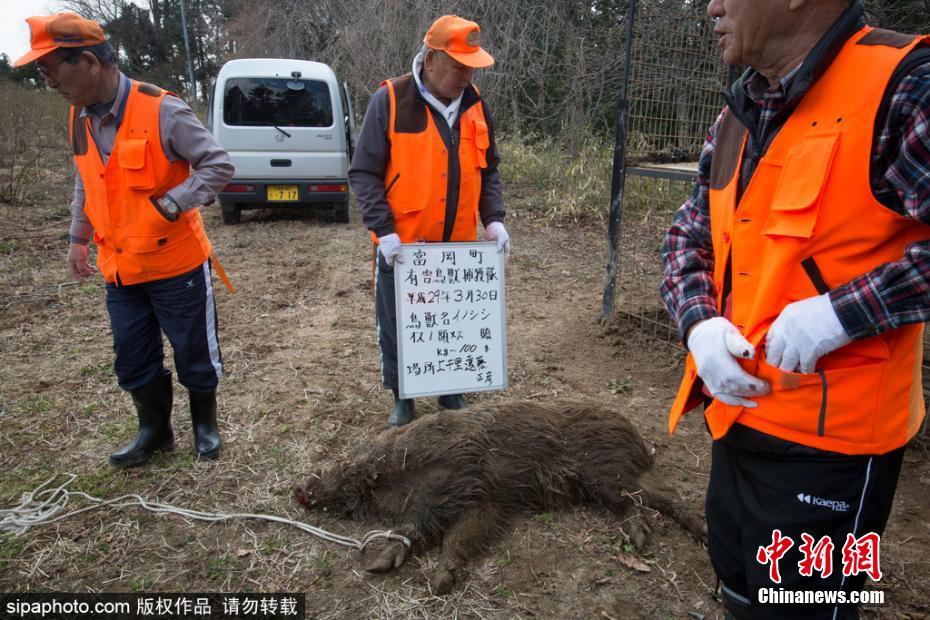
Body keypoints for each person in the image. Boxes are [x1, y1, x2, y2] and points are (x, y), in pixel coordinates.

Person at [661, 0, 930, 617]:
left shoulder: (905, 87)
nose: (712, 7)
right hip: (736, 421)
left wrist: (844, 314)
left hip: (836, 450)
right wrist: (699, 324)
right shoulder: (741, 110)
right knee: (742, 590)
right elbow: (687, 238)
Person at [14, 13, 235, 466]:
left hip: (176, 265)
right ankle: (154, 432)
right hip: (119, 268)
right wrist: (78, 237)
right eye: (42, 73)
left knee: (195, 352)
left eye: (52, 70)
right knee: (133, 359)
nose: (49, 82)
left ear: (90, 62)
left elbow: (217, 165)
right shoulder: (79, 117)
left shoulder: (162, 109)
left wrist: (173, 203)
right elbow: (86, 180)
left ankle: (205, 428)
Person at [349, 15, 509, 426]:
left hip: (456, 249)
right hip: (403, 248)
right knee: (398, 323)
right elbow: (364, 172)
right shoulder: (389, 100)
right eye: (459, 65)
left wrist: (492, 219)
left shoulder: (475, 105)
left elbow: (488, 169)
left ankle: (450, 392)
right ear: (433, 58)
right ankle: (403, 396)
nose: (467, 74)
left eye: (471, 65)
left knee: (453, 321)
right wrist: (383, 231)